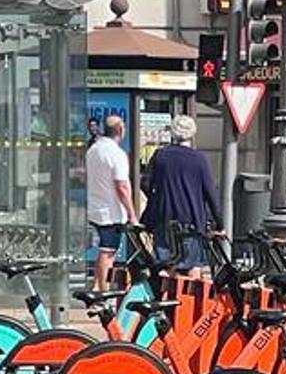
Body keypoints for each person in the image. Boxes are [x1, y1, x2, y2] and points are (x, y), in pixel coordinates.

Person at [141, 114, 221, 277]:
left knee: (164, 264)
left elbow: (145, 184)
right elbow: (210, 193)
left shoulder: (160, 155)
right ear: (192, 134)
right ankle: (190, 301)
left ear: (173, 133)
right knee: (193, 266)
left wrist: (158, 198)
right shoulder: (199, 159)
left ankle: (164, 297)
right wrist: (220, 223)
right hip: (191, 220)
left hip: (164, 218)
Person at [86, 115, 136, 291]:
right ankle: (103, 291)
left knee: (105, 251)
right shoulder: (117, 154)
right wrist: (132, 214)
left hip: (95, 207)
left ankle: (98, 287)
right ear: (120, 131)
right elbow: (121, 186)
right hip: (111, 212)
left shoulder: (93, 150)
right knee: (108, 253)